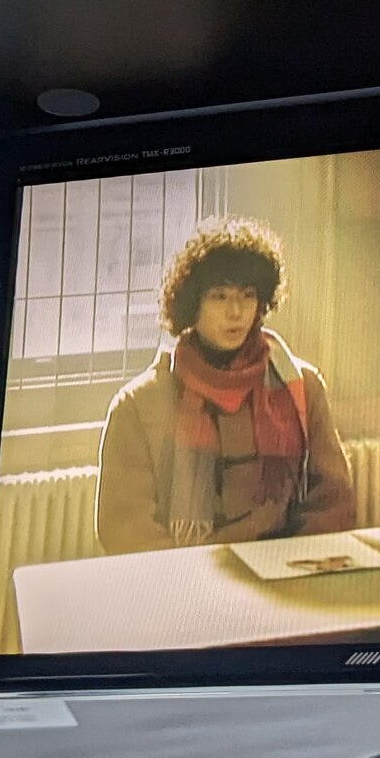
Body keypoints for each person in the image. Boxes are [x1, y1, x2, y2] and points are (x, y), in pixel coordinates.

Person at [94, 217, 358, 554]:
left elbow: (333, 503)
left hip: (287, 571)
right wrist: (192, 577)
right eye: (219, 296)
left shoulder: (301, 388)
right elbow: (125, 530)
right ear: (192, 304)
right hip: (184, 578)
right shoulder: (139, 405)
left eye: (248, 295)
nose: (236, 311)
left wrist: (292, 564)